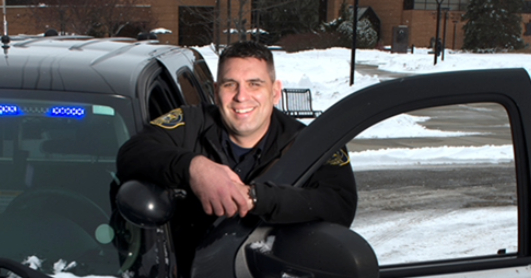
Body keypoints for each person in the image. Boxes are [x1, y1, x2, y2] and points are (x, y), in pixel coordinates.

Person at [116, 41, 357, 258]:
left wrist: (255, 198)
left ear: (275, 92)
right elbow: (131, 154)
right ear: (215, 90)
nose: (241, 97)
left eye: (254, 84)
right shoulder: (190, 123)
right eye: (231, 84)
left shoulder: (311, 143)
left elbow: (339, 206)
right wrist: (194, 167)